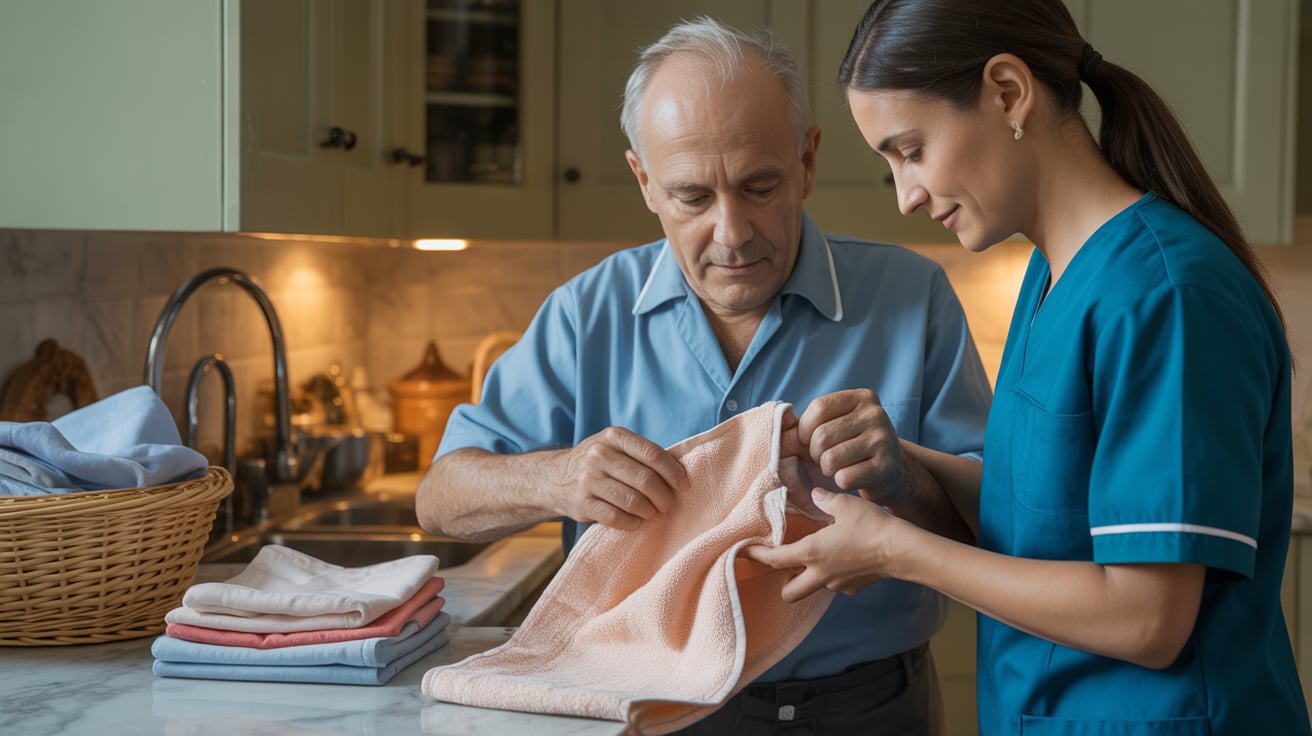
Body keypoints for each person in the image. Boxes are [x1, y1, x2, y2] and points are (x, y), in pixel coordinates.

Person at [744, 1, 1312, 734]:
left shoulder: (1168, 296)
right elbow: (1049, 517)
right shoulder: (1052, 276)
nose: (908, 195)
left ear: (1008, 92)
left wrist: (894, 551)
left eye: (911, 150)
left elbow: (1148, 619)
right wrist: (902, 469)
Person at [416, 16, 993, 736]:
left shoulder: (914, 298)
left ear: (808, 162)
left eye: (759, 186)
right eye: (692, 196)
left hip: (869, 707)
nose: (732, 232)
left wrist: (906, 477)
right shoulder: (584, 315)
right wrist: (555, 478)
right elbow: (440, 497)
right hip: (637, 705)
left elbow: (997, 530)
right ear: (645, 182)